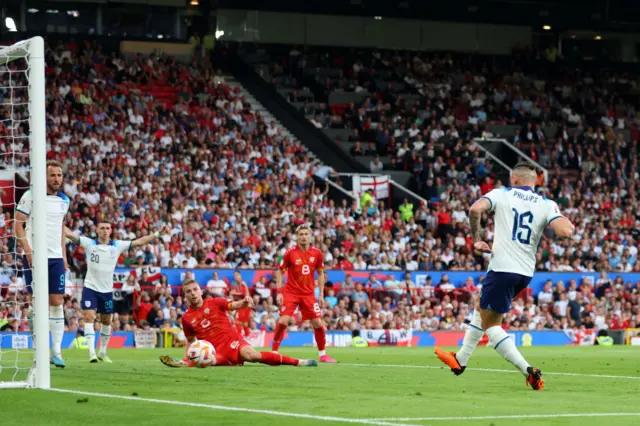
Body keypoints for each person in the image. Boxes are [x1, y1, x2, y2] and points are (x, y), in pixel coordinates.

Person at [435, 162, 575, 390]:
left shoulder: (502, 194)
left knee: (492, 326)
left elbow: (474, 209)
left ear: (516, 180)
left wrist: (477, 239)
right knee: (482, 305)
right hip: (525, 273)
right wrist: (570, 227)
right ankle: (460, 359)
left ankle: (528, 371)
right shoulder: (546, 204)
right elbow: (565, 231)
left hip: (502, 268)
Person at [65, 222, 170, 363]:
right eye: (102, 228)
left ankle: (102, 351)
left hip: (107, 290)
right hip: (90, 288)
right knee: (89, 317)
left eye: (107, 228)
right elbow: (70, 235)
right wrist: (56, 220)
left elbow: (140, 241)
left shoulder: (117, 245)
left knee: (106, 321)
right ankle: (91, 353)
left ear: (111, 231)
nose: (105, 231)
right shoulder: (89, 243)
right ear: (97, 229)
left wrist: (158, 233)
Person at [159, 279, 316, 368]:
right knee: (203, 361)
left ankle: (298, 362)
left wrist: (245, 302)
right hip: (215, 352)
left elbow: (235, 305)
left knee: (253, 355)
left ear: (200, 291)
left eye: (195, 289)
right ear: (185, 295)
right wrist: (187, 358)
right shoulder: (186, 318)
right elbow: (191, 342)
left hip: (232, 341)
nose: (192, 293)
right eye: (188, 291)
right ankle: (185, 364)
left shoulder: (215, 302)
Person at [15, 160, 69, 368]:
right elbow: (18, 226)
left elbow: (61, 228)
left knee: (57, 302)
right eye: (53, 175)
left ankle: (56, 352)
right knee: (37, 304)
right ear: (44, 177)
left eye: (59, 175)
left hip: (55, 258)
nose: (57, 179)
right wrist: (28, 251)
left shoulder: (64, 200)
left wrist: (64, 256)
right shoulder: (30, 196)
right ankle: (39, 350)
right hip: (35, 256)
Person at [271, 224, 336, 363]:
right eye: (301, 234)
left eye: (306, 234)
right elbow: (279, 272)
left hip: (308, 294)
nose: (303, 237)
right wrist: (279, 292)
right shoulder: (289, 253)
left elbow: (320, 273)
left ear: (310, 236)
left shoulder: (317, 253)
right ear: (296, 237)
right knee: (283, 321)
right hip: (290, 292)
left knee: (318, 323)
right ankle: (274, 352)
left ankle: (323, 354)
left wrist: (321, 295)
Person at [229, 270, 251, 337]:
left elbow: (246, 295)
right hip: (241, 305)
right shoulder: (235, 285)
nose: (235, 277)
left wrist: (234, 294)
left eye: (236, 275)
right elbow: (232, 295)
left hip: (244, 305)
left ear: (240, 276)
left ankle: (241, 337)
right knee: (242, 323)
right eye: (234, 276)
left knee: (241, 322)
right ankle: (244, 337)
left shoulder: (243, 284)